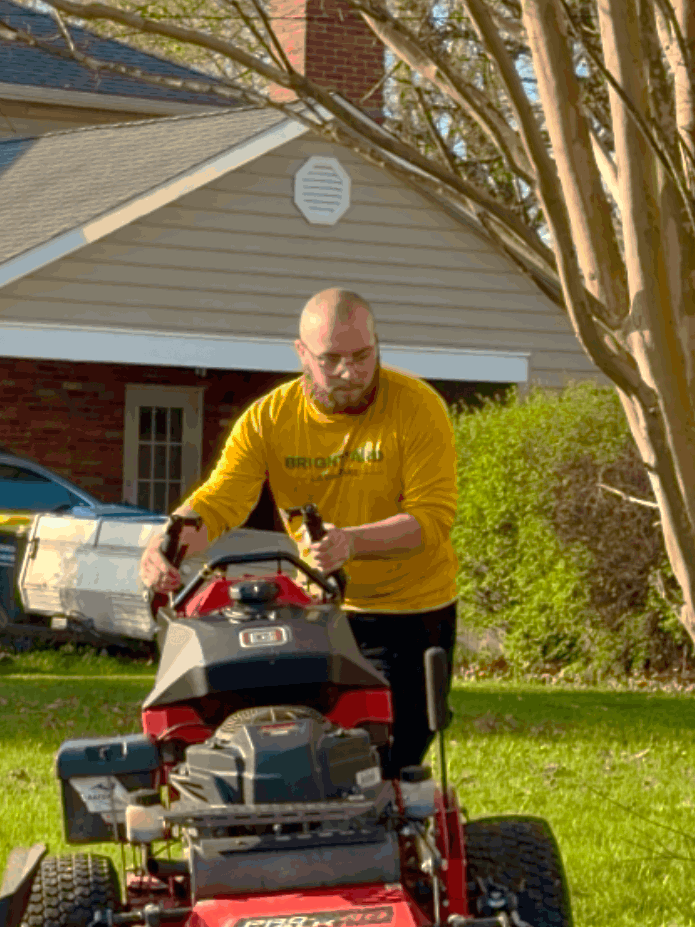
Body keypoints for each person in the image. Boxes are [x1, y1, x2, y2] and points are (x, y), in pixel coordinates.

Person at [138, 288, 457, 774]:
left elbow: (431, 520)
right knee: (301, 749)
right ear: (301, 354)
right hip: (317, 613)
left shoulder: (418, 407)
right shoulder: (270, 419)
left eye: (362, 356)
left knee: (391, 759)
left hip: (408, 613)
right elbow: (221, 501)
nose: (350, 373)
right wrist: (167, 544)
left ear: (377, 344)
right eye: (331, 360)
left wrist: (352, 541)